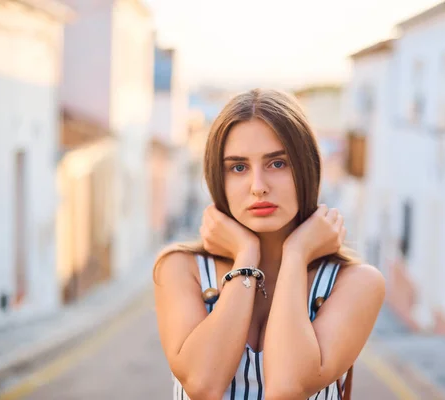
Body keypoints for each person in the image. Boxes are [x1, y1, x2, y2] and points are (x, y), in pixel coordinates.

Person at [153, 88, 385, 400]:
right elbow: (203, 385)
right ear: (216, 177)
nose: (258, 187)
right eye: (238, 167)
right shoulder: (181, 270)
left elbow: (288, 388)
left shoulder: (355, 283)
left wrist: (296, 254)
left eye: (277, 164)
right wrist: (246, 257)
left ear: (307, 168)